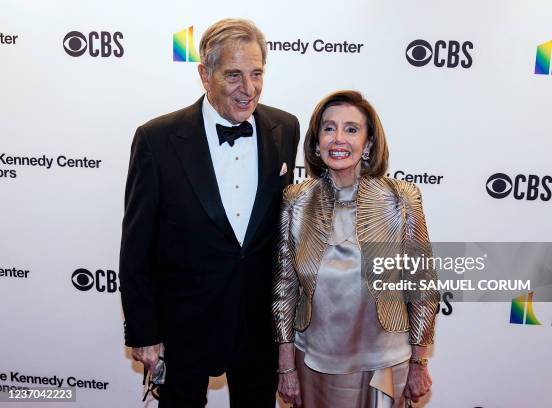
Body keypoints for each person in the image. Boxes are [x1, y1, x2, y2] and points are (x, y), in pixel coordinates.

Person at [119, 18, 300, 407]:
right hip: (183, 324)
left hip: (256, 327)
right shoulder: (157, 138)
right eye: (233, 75)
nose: (248, 89)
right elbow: (136, 244)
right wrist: (143, 331)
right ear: (205, 74)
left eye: (256, 73)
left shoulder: (285, 128)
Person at [272, 90, 438, 407]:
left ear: (368, 143)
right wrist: (285, 365)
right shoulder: (296, 200)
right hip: (315, 361)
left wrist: (419, 362)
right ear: (316, 141)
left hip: (386, 360)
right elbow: (285, 287)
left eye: (351, 129)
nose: (338, 139)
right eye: (329, 128)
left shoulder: (400, 198)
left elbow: (421, 284)